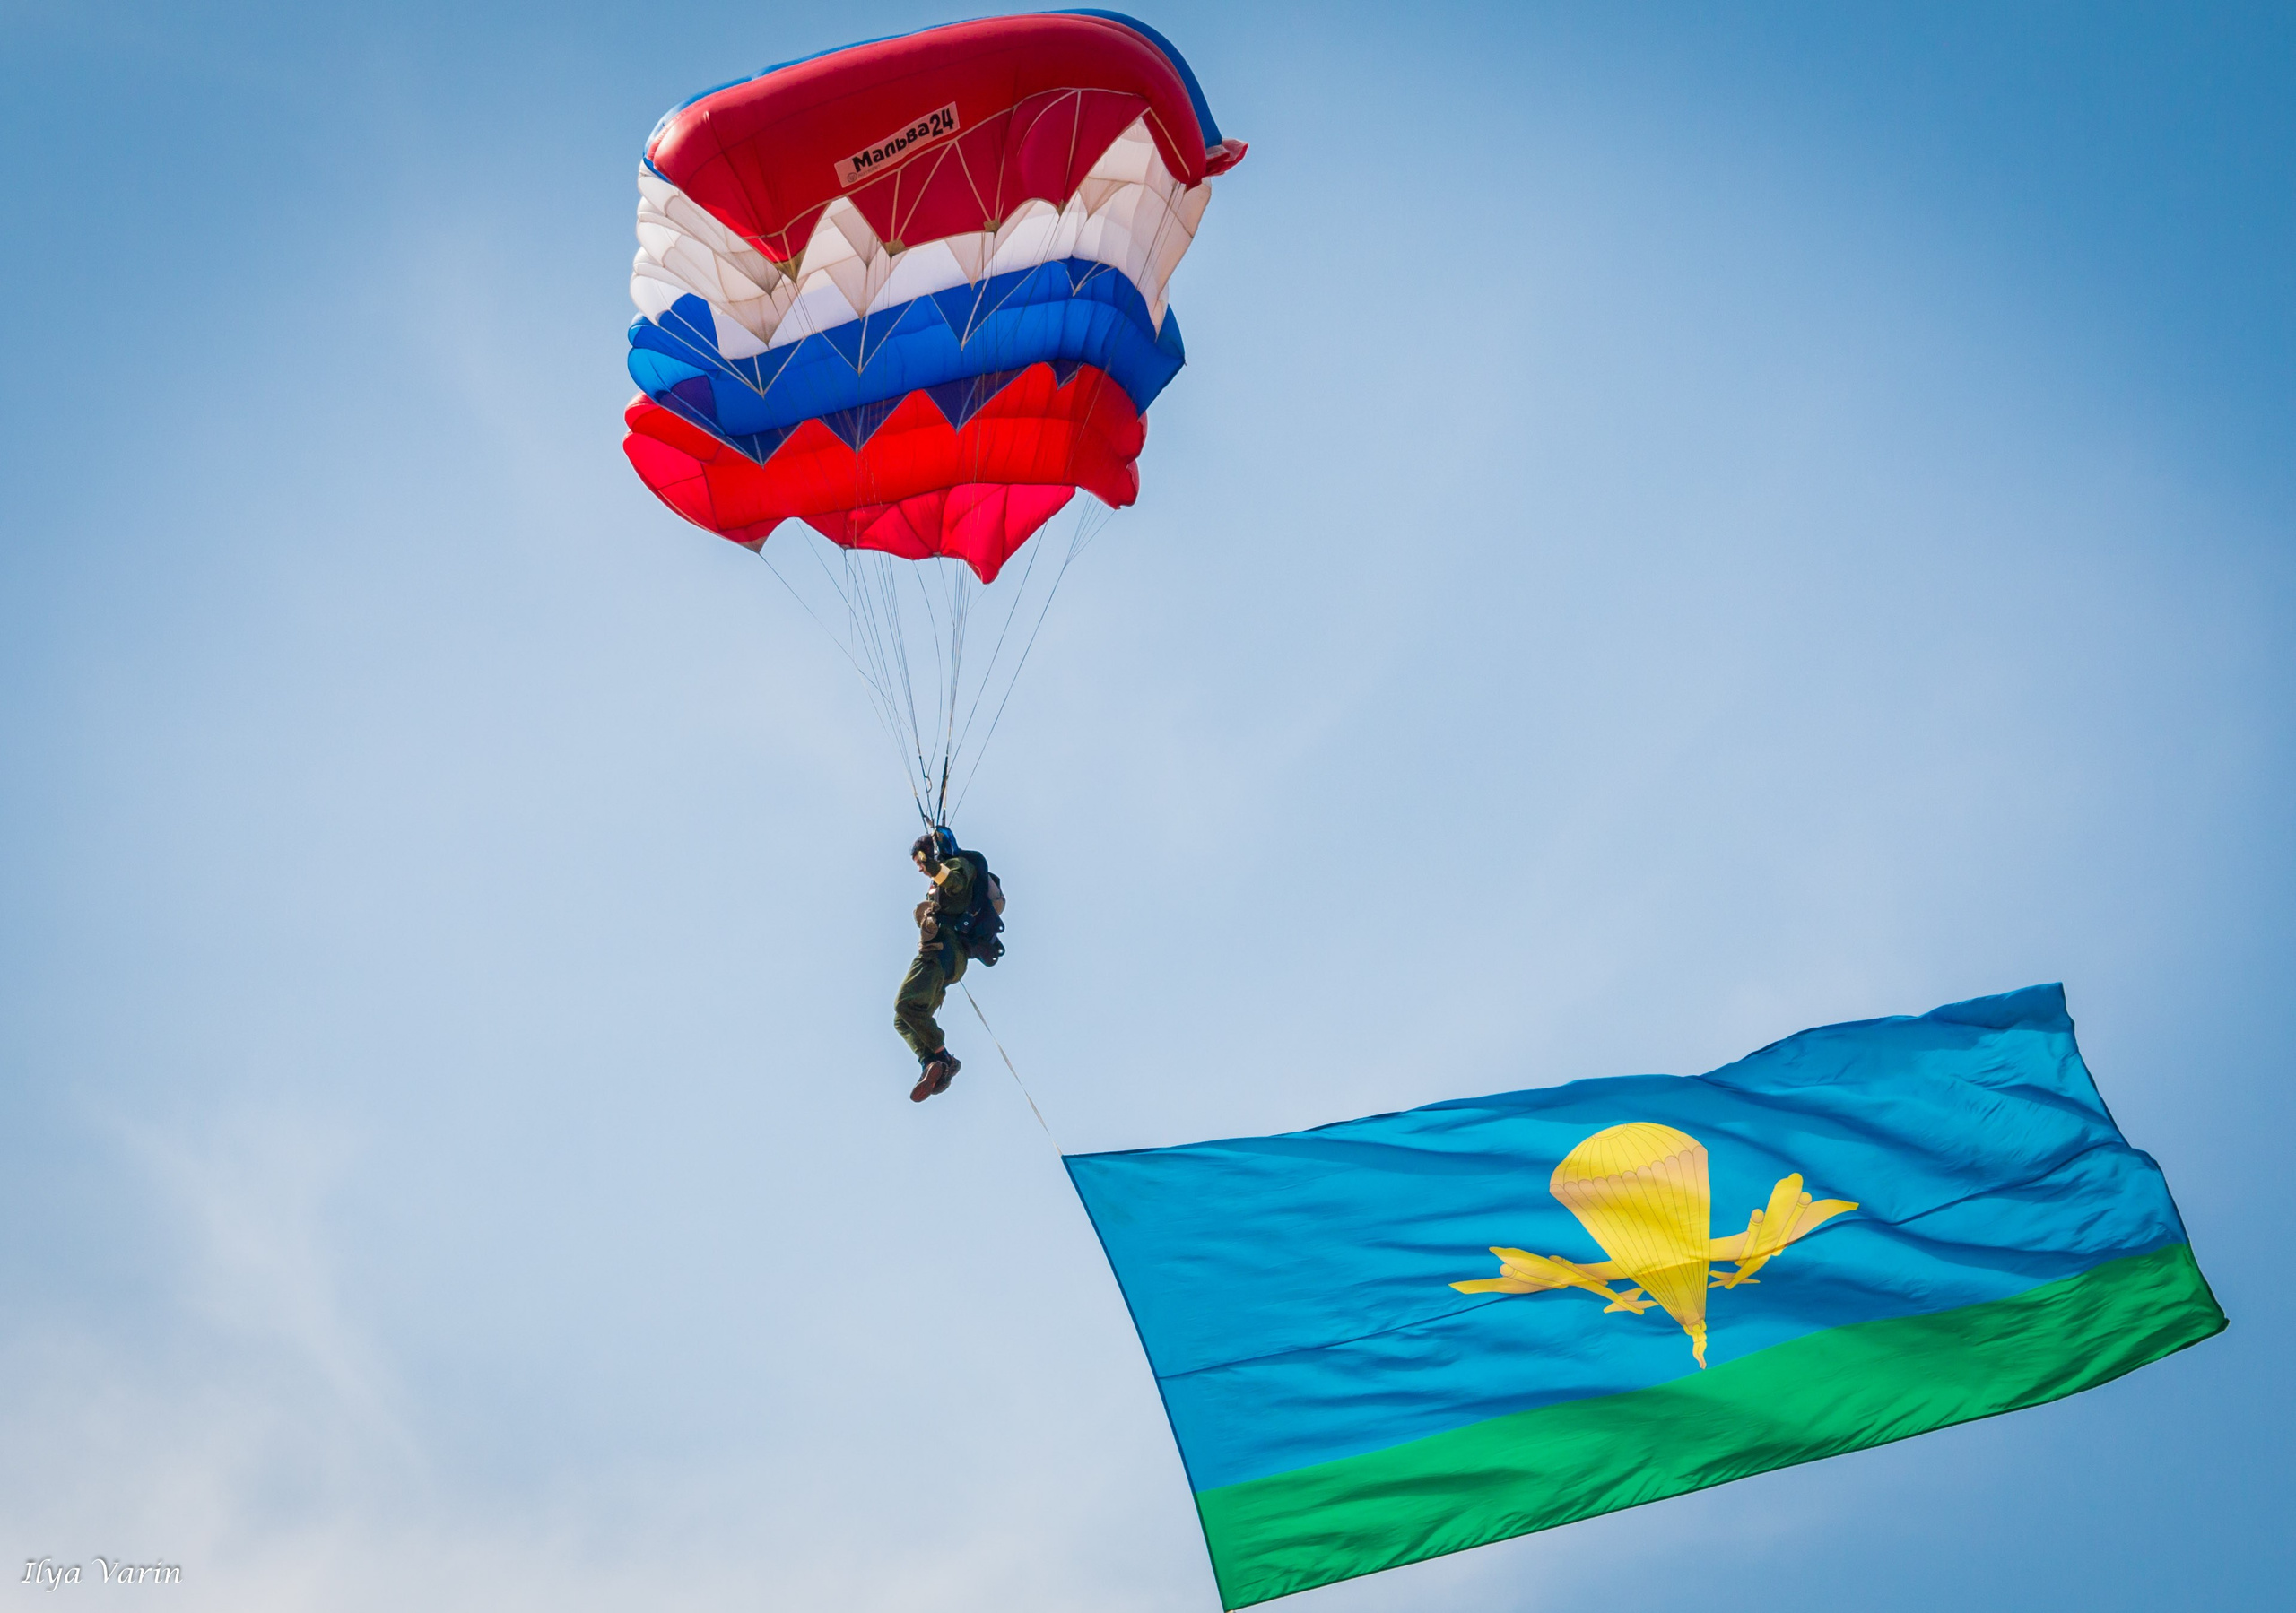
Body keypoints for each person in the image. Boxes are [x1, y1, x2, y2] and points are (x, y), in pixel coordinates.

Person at [895, 829, 974, 1101]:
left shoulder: (959, 865)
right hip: (944, 954)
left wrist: (931, 864)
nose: (920, 869)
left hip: (943, 952)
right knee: (903, 1021)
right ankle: (932, 1064)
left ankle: (945, 1059)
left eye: (919, 863)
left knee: (905, 1005)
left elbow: (955, 883)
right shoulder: (939, 878)